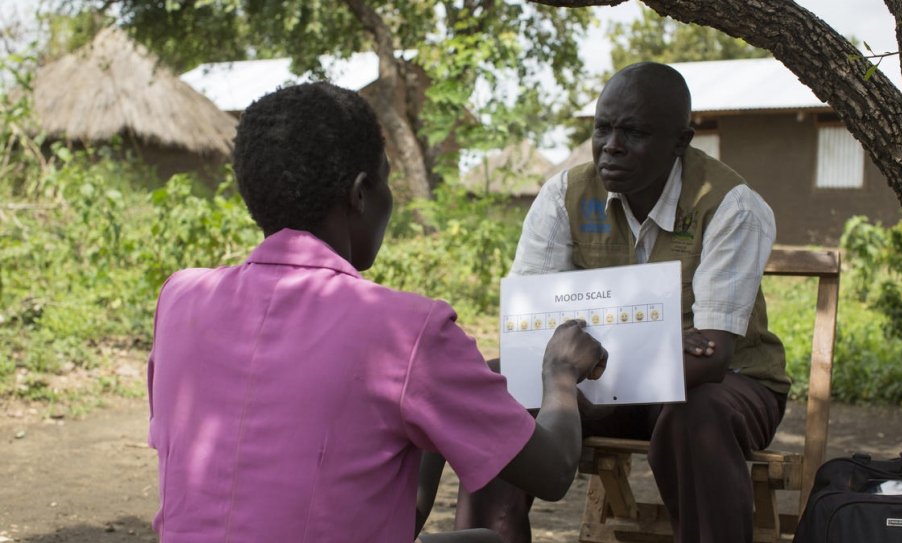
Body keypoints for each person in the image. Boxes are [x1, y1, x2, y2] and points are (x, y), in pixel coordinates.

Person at [146, 81, 607, 543]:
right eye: (388, 180)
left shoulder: (180, 300)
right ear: (362, 193)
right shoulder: (405, 331)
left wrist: (428, 429)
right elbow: (553, 472)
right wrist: (560, 374)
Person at [455, 62, 789, 543]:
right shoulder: (565, 195)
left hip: (723, 388)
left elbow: (712, 357)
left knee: (697, 414)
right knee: (498, 391)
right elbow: (534, 332)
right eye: (602, 128)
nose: (611, 144)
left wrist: (581, 379)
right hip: (598, 384)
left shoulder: (729, 204)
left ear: (680, 141)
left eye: (632, 132)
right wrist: (656, 349)